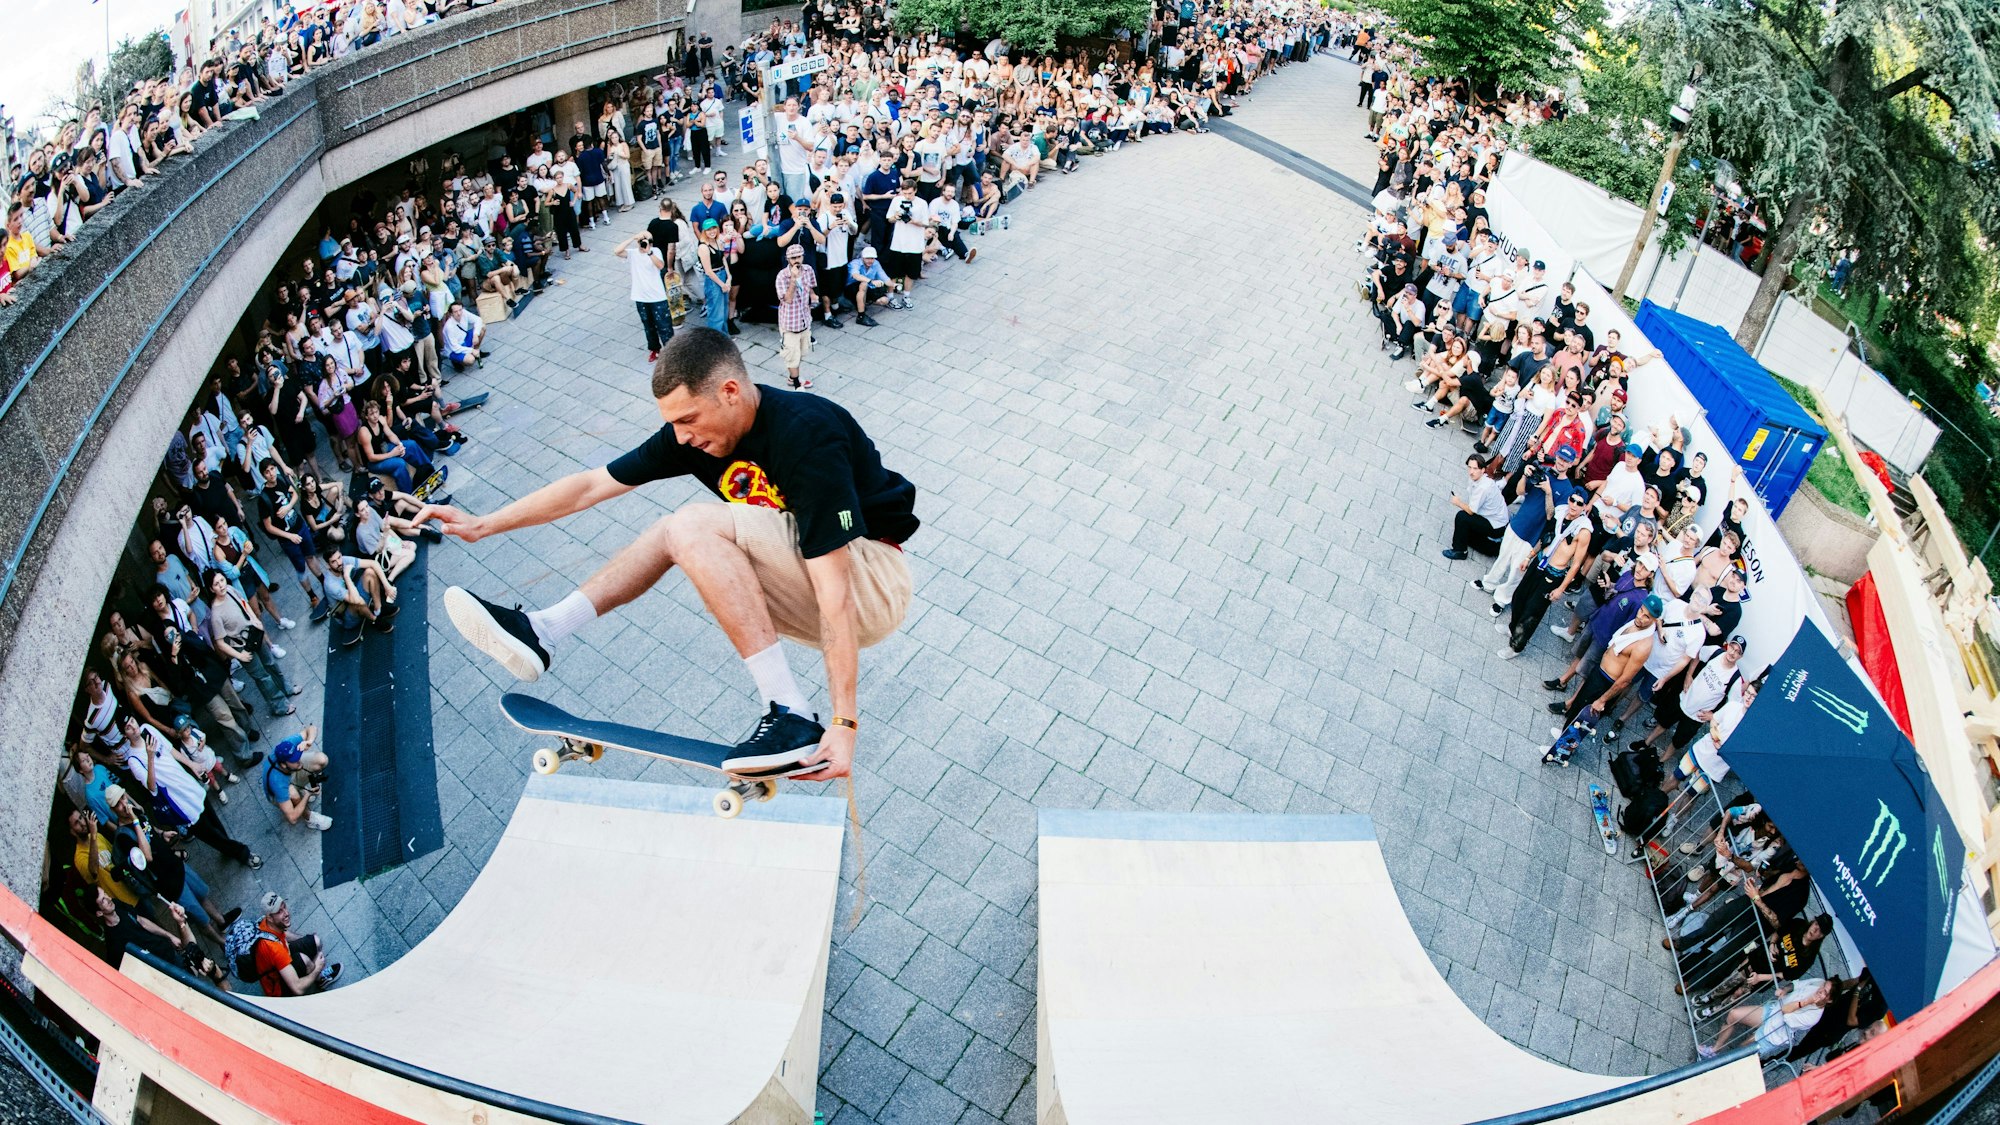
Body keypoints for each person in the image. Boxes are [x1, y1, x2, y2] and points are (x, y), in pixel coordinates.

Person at [425, 329, 917, 778]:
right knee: (673, 532)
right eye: (673, 425)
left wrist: (845, 723)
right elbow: (590, 486)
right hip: (811, 579)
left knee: (689, 526)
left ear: (730, 391)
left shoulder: (806, 433)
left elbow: (835, 593)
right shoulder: (694, 437)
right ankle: (542, 630)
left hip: (869, 578)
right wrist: (485, 524)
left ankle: (790, 712)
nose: (682, 438)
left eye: (688, 420)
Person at [247, 893, 341, 995]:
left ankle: (313, 973)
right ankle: (319, 981)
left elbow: (284, 933)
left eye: (284, 907)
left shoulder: (265, 922)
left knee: (315, 941)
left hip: (281, 956)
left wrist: (304, 940)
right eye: (279, 911)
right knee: (306, 962)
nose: (286, 913)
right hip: (278, 986)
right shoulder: (274, 948)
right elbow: (297, 989)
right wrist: (318, 968)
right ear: (269, 917)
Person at [618, 232, 675, 360]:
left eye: (647, 241)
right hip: (641, 296)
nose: (644, 243)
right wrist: (632, 238)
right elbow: (617, 251)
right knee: (648, 326)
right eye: (641, 241)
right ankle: (655, 349)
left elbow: (661, 266)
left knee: (664, 326)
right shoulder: (633, 253)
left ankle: (671, 352)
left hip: (657, 297)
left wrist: (649, 252)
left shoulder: (655, 251)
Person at [265, 727, 334, 831]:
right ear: (283, 765)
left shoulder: (287, 746)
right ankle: (309, 818)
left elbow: (311, 728)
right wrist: (307, 795)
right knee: (293, 793)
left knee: (321, 759)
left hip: (290, 773)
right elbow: (292, 818)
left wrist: (309, 741)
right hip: (280, 791)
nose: (300, 761)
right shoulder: (277, 782)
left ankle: (304, 787)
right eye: (295, 760)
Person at [1442, 454, 1507, 559]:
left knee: (1462, 517)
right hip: (1492, 519)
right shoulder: (1479, 479)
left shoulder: (1483, 487)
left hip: (1496, 525)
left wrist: (1458, 502)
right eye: (1470, 467)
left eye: (1475, 468)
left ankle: (1460, 551)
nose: (1471, 471)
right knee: (1467, 534)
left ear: (1482, 470)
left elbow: (1471, 511)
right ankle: (1492, 548)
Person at [775, 241, 816, 390]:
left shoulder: (808, 270)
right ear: (788, 260)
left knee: (802, 352)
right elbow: (788, 299)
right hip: (790, 323)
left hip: (804, 319)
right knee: (792, 356)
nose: (796, 261)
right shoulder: (782, 276)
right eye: (793, 258)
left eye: (799, 257)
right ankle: (797, 383)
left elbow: (811, 286)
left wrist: (813, 296)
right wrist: (793, 280)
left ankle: (792, 377)